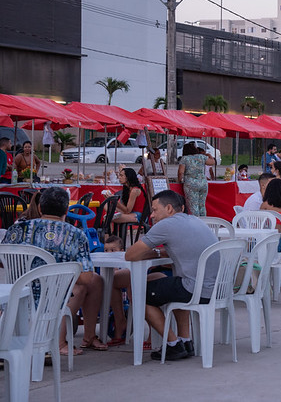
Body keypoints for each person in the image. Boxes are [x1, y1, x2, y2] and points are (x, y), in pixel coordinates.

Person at [2, 186, 107, 354]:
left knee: (87, 283)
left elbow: (3, 260)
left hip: (18, 296)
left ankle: (83, 337)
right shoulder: (75, 234)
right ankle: (58, 341)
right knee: (81, 285)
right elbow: (86, 278)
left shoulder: (17, 228)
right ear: (66, 210)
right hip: (51, 300)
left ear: (40, 208)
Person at [124, 190, 219, 361]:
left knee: (137, 292)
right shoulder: (193, 220)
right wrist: (159, 254)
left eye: (154, 210)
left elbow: (130, 255)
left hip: (195, 289)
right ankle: (185, 340)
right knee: (170, 281)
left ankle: (173, 344)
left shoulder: (166, 225)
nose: (151, 215)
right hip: (214, 288)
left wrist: (154, 253)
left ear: (168, 208)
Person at [178, 141, 215, 216]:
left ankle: (195, 221)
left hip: (191, 183)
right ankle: (203, 221)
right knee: (202, 205)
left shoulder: (184, 159)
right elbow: (213, 162)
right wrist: (209, 155)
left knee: (193, 205)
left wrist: (180, 180)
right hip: (203, 183)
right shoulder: (201, 157)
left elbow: (180, 172)